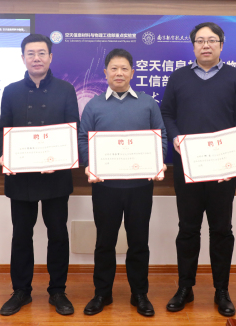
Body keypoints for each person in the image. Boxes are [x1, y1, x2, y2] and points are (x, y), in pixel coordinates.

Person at [160, 22, 236, 317]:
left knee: (221, 230)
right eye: (200, 41)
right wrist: (175, 137)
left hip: (223, 169)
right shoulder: (178, 77)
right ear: (193, 46)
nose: (206, 45)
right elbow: (166, 113)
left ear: (221, 45)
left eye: (212, 40)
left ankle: (221, 290)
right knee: (187, 229)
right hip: (187, 167)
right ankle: (185, 288)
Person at [78, 48, 167, 317]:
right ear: (105, 73)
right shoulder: (94, 105)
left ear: (132, 72)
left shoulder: (148, 103)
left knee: (139, 242)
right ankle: (102, 293)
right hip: (105, 187)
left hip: (140, 187)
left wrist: (157, 162)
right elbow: (83, 139)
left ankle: (139, 294)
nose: (119, 73)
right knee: (104, 242)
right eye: (114, 69)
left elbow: (161, 138)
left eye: (124, 68)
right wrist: (90, 164)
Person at [0, 34, 79, 316]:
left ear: (50, 57)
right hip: (21, 178)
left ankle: (58, 291)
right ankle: (21, 290)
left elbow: (72, 130)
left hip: (56, 176)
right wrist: (6, 154)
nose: (36, 58)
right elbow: (4, 130)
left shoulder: (66, 90)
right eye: (30, 53)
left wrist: (60, 158)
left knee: (58, 234)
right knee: (22, 235)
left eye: (42, 53)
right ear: (23, 58)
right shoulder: (10, 91)